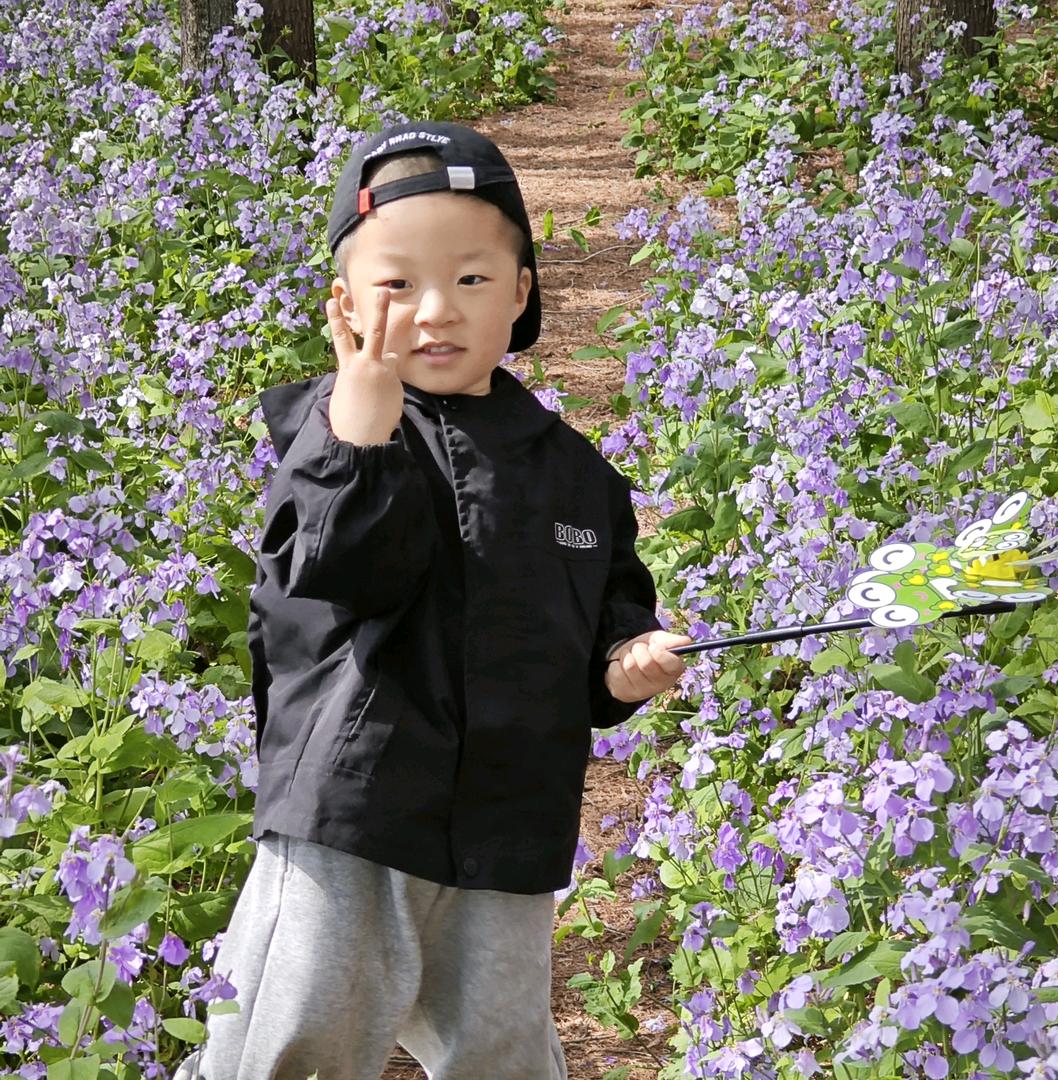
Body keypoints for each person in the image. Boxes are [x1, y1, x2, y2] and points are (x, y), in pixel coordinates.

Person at [172, 119, 692, 1080]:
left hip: (511, 818)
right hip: (355, 810)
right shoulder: (329, 439)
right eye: (398, 285)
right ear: (347, 303)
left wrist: (632, 665)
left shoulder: (577, 476)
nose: (436, 310)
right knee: (295, 1045)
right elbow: (340, 571)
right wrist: (362, 412)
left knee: (500, 1055)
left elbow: (600, 647)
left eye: (473, 280)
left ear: (524, 292)